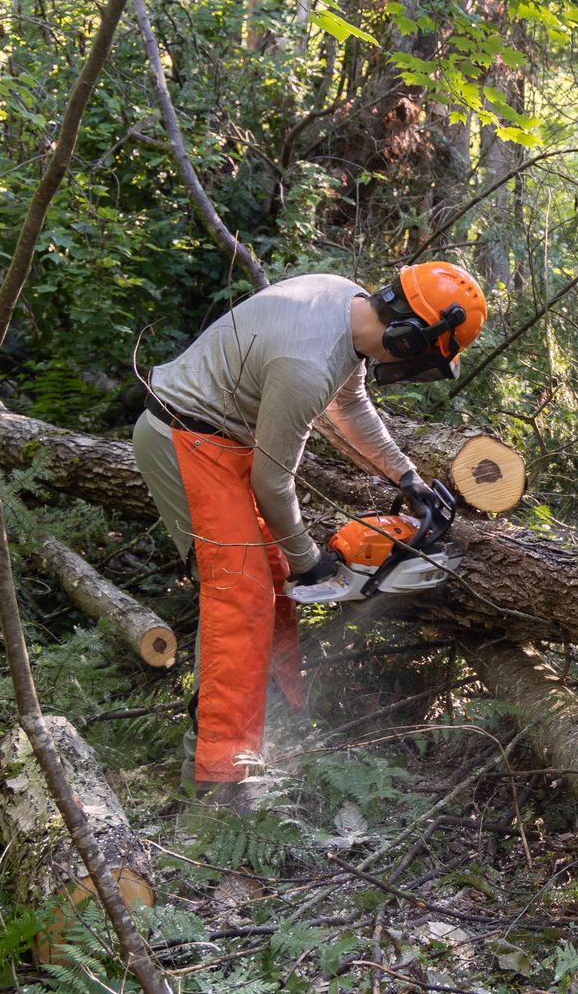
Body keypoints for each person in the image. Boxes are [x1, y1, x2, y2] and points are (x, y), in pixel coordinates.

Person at [130, 263, 487, 796]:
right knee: (240, 592)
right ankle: (214, 779)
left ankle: (265, 727)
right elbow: (273, 483)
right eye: (422, 355)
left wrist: (407, 476)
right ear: (410, 336)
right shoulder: (307, 364)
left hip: (220, 441)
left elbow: (351, 408)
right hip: (183, 440)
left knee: (267, 582)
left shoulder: (344, 304)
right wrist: (309, 561)